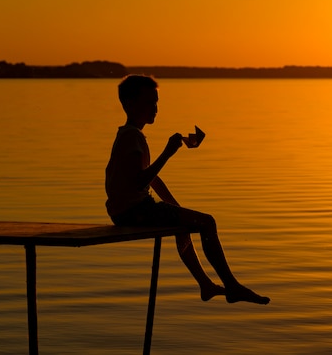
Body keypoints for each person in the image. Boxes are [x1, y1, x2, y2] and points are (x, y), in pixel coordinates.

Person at [105, 74, 269, 305]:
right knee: (207, 222)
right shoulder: (131, 137)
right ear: (129, 104)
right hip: (133, 212)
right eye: (149, 102)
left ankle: (205, 284)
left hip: (128, 210)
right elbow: (139, 182)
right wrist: (167, 153)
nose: (155, 108)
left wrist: (173, 205)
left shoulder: (130, 134)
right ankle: (231, 286)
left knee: (183, 225)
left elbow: (151, 178)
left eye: (156, 102)